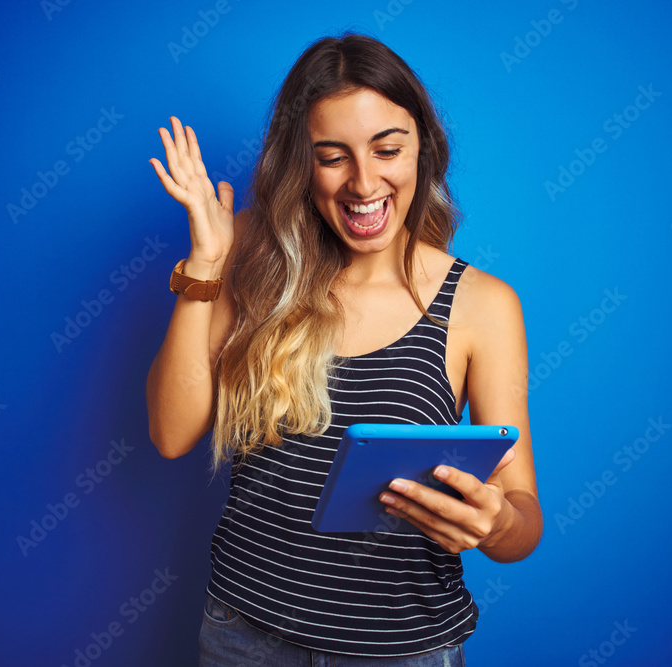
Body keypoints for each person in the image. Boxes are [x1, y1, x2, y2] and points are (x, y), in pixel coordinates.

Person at [146, 32, 542, 666]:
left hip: (401, 647)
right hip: (244, 634)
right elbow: (170, 433)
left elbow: (522, 519)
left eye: (388, 149)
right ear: (301, 163)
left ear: (424, 151)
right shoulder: (248, 254)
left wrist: (494, 524)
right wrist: (206, 264)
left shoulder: (481, 304)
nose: (364, 183)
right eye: (333, 157)